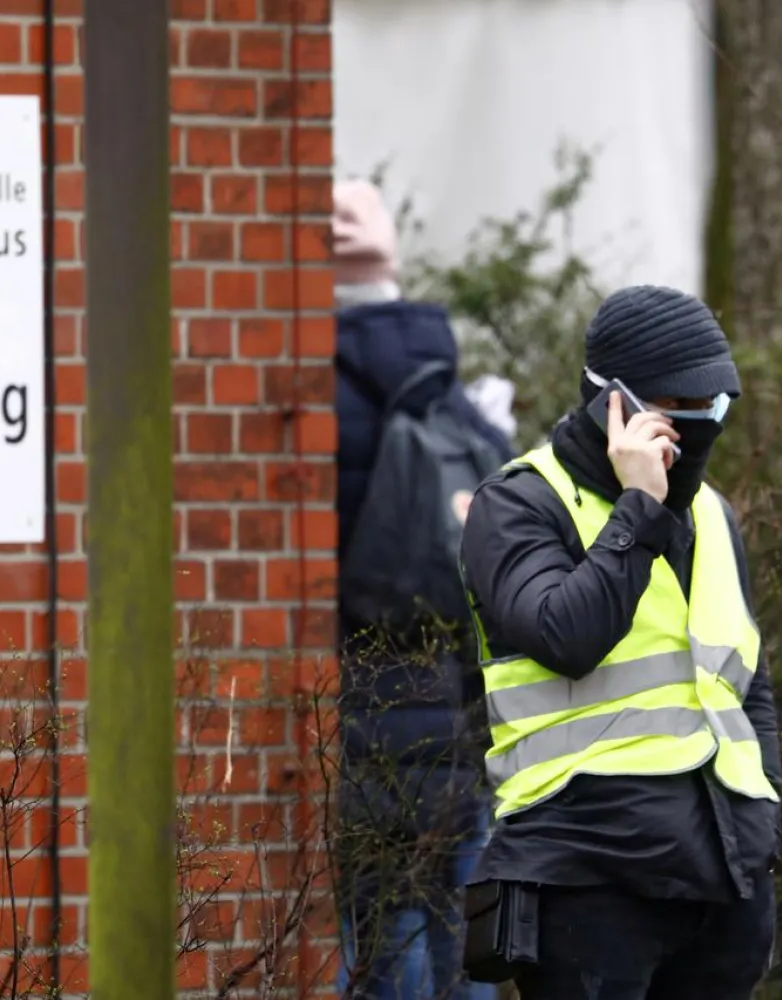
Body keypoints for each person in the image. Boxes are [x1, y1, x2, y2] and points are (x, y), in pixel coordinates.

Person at [460, 285, 782, 999]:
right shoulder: (518, 502)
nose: (700, 424)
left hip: (723, 879)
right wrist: (640, 506)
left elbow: (746, 684)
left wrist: (765, 820)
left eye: (714, 406)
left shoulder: (715, 514)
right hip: (586, 876)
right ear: (617, 403)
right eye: (678, 407)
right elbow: (565, 636)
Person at [332, 178, 509, 1000]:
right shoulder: (447, 390)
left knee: (385, 922)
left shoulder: (317, 396)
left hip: (355, 706)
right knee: (457, 925)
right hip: (453, 703)